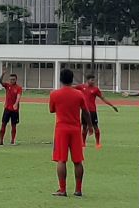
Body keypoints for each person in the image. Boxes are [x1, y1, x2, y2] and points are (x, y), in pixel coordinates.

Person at [50, 68, 92, 197]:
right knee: (78, 160)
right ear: (72, 79)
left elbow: (52, 110)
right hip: (75, 129)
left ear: (60, 79)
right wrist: (90, 126)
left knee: (61, 160)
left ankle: (62, 189)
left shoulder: (54, 94)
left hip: (61, 129)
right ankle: (78, 190)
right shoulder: (79, 94)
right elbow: (86, 112)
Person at [76, 72, 118, 149]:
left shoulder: (95, 89)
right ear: (88, 80)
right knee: (84, 127)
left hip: (92, 111)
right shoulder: (81, 87)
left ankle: (98, 143)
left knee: (95, 127)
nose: (93, 82)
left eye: (94, 80)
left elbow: (103, 98)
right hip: (85, 111)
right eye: (92, 80)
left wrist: (112, 105)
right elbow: (71, 89)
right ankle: (83, 143)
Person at [0, 70, 23, 146]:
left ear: (16, 80)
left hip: (14, 110)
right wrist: (2, 74)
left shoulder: (18, 88)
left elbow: (18, 96)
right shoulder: (7, 86)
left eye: (13, 79)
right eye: (11, 79)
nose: (12, 81)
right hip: (7, 109)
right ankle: (1, 140)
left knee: (14, 125)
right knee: (3, 124)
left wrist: (16, 104)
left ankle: (12, 140)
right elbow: (0, 82)